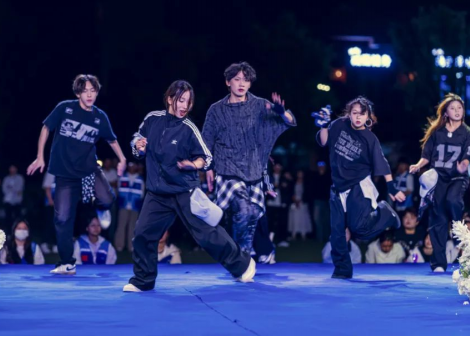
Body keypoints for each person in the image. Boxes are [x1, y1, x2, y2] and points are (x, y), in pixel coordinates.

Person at [124, 80, 254, 293]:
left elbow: (207, 157)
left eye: (188, 102)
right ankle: (143, 280)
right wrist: (137, 146)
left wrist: (193, 164)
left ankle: (243, 265)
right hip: (157, 194)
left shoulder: (189, 128)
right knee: (142, 234)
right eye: (181, 100)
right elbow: (137, 140)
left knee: (207, 234)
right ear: (169, 99)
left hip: (185, 191)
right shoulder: (152, 119)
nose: (185, 106)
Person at [27, 74, 127, 276]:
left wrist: (123, 159)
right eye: (85, 91)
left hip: (89, 171)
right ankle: (67, 263)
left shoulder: (100, 117)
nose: (89, 95)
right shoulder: (65, 108)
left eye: (93, 91)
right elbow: (46, 128)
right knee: (62, 218)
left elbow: (112, 140)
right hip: (65, 175)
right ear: (78, 93)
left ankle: (100, 208)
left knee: (108, 199)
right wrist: (40, 156)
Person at [202, 62, 297, 255]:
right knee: (244, 210)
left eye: (246, 80)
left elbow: (290, 121)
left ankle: (241, 255)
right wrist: (208, 168)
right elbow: (206, 141)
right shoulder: (216, 110)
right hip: (227, 170)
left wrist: (281, 112)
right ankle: (241, 255)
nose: (241, 84)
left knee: (252, 215)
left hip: (254, 171)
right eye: (237, 79)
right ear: (228, 82)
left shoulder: (260, 105)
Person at [314, 98, 406, 279]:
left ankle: (385, 214)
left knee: (358, 229)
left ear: (367, 116)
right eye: (354, 113)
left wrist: (392, 188)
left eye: (362, 114)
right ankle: (342, 269)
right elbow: (324, 141)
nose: (358, 117)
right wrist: (324, 125)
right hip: (338, 187)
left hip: (358, 185)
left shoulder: (369, 138)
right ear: (349, 113)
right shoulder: (338, 125)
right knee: (337, 232)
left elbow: (382, 163)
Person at [411, 94, 470, 273]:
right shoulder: (436, 132)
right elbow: (426, 156)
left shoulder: (469, 133)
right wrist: (418, 165)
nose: (457, 111)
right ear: (446, 112)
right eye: (453, 108)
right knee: (437, 217)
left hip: (457, 178)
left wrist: (463, 166)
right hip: (438, 178)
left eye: (460, 108)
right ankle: (439, 263)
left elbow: (466, 158)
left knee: (452, 200)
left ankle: (457, 229)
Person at [115, 162, 145, 253]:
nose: (132, 167)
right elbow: (118, 190)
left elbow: (142, 193)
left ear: (136, 167)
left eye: (134, 166)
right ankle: (119, 245)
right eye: (130, 166)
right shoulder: (122, 177)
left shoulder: (140, 179)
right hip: (123, 205)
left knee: (133, 226)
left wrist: (136, 201)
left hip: (134, 206)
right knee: (121, 225)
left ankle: (131, 246)